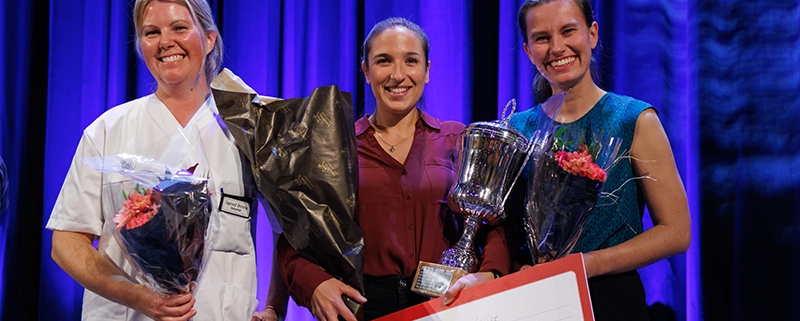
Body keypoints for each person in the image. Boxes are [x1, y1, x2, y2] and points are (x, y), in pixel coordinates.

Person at [273, 17, 510, 321]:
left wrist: (488, 273)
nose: (398, 75)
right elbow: (294, 236)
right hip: (361, 308)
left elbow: (494, 223)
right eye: (383, 61)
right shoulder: (334, 148)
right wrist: (315, 284)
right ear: (366, 71)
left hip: (446, 306)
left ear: (426, 70)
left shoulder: (457, 139)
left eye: (411, 61)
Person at [46, 1, 262, 320]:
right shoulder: (108, 131)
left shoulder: (248, 127)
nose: (165, 42)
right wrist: (137, 296)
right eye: (151, 32)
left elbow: (288, 228)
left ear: (210, 37)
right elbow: (65, 242)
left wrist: (274, 306)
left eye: (179, 28)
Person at [507, 0, 691, 320]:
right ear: (527, 50)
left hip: (611, 299)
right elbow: (508, 230)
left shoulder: (633, 119)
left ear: (592, 34)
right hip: (536, 298)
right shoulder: (517, 130)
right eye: (541, 38)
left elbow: (676, 231)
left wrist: (585, 266)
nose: (557, 47)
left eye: (568, 31)